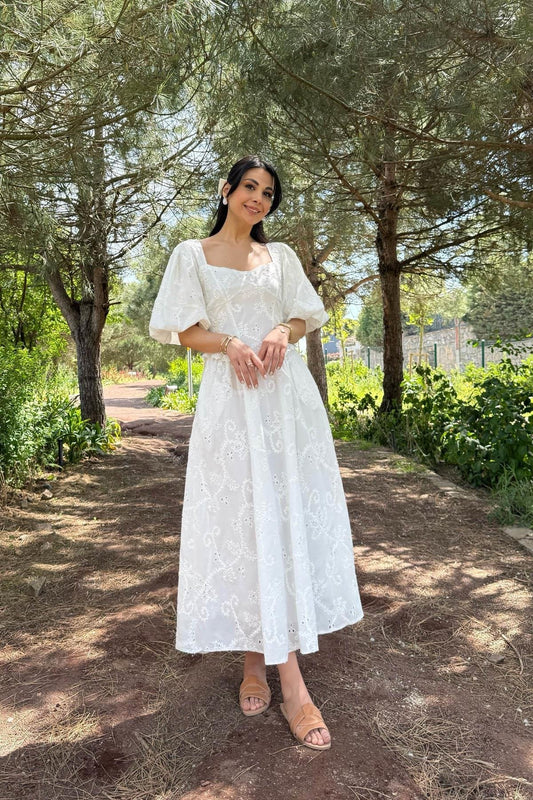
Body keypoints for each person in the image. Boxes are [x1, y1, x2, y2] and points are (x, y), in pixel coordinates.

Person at [149, 154, 364, 751]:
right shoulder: (192, 255)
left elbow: (304, 317)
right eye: (250, 187)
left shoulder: (282, 257)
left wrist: (280, 330)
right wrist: (231, 342)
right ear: (226, 190)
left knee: (281, 519)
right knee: (243, 523)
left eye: (268, 192)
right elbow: (182, 330)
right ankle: (268, 670)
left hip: (286, 404)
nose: (258, 199)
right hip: (231, 403)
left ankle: (278, 676)